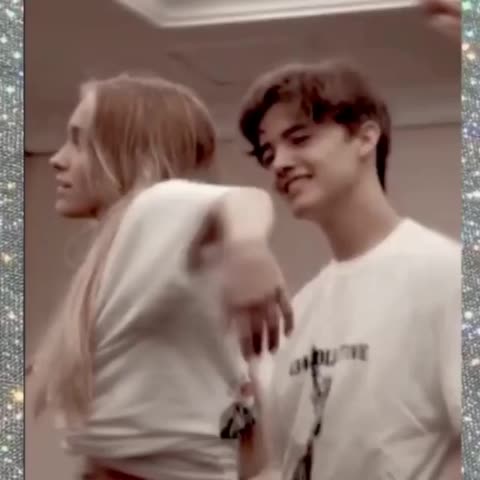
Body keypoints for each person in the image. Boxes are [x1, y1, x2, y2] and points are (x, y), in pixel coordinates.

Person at [30, 74, 293, 480]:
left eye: (79, 141)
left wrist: (248, 251)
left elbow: (241, 201)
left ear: (130, 152)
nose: (57, 158)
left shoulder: (154, 206)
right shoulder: (139, 248)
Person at [237, 60, 461, 480]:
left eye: (299, 139)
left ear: (365, 137)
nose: (279, 163)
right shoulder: (300, 309)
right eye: (268, 153)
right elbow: (278, 462)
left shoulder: (448, 275)